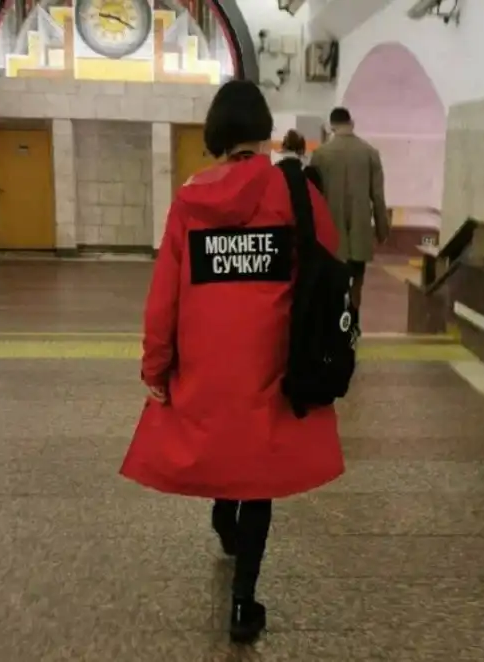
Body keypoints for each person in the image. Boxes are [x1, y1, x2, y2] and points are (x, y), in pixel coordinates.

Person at [120, 80, 344, 645]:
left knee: (226, 446)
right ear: (264, 133)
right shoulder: (294, 193)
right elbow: (329, 262)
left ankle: (224, 519)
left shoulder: (189, 201)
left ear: (215, 138)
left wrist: (156, 368)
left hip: (204, 364)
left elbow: (163, 297)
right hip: (271, 361)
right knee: (257, 474)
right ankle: (244, 603)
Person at [310, 107, 390, 327]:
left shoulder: (320, 155)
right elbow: (378, 196)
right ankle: (353, 323)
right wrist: (382, 230)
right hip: (359, 229)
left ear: (332, 126)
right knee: (357, 281)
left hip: (329, 233)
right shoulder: (370, 153)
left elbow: (314, 197)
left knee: (331, 282)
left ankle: (334, 326)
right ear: (351, 123)